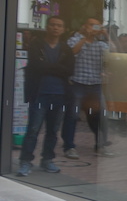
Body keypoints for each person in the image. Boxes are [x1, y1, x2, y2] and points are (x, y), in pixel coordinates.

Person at [18, 16, 74, 176]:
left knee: (53, 131)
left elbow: (69, 70)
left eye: (59, 25)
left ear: (63, 29)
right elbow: (35, 66)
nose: (55, 28)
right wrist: (57, 68)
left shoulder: (65, 49)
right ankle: (25, 161)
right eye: (53, 25)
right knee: (33, 129)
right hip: (39, 94)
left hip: (60, 95)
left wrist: (47, 67)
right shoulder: (37, 45)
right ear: (47, 27)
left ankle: (47, 160)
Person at [61, 17, 112, 159]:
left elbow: (113, 53)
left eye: (97, 27)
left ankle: (101, 145)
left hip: (95, 84)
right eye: (91, 25)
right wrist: (85, 37)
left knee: (100, 117)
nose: (93, 29)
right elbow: (71, 53)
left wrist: (106, 35)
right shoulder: (75, 39)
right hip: (77, 83)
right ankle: (69, 147)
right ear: (84, 26)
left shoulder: (100, 44)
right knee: (72, 116)